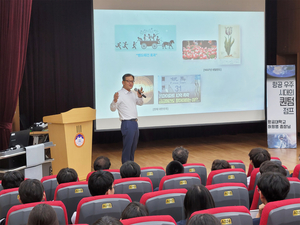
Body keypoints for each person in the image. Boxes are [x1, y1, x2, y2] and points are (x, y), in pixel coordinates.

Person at [110, 73, 144, 164]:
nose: (130, 83)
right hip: (127, 123)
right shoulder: (119, 94)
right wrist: (114, 101)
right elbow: (112, 109)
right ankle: (125, 167)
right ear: (123, 82)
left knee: (133, 147)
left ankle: (131, 166)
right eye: (128, 81)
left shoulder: (132, 94)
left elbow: (140, 103)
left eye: (132, 81)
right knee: (127, 147)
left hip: (134, 123)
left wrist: (140, 96)